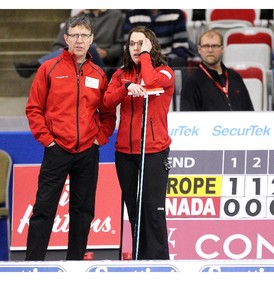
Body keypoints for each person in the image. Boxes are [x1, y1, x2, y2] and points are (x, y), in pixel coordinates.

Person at [24, 14, 117, 261]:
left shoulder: (99, 73)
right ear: (66, 39)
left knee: (83, 212)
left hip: (88, 151)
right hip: (57, 150)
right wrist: (49, 141)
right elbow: (34, 109)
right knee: (44, 209)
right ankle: (33, 265)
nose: (79, 40)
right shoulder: (49, 69)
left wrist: (100, 139)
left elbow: (108, 113)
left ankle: (75, 265)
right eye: (74, 35)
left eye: (84, 36)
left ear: (91, 40)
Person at [103, 25, 174, 260]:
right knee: (134, 212)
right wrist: (125, 87)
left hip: (153, 152)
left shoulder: (165, 72)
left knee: (153, 211)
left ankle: (160, 264)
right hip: (125, 153)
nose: (136, 48)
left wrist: (145, 56)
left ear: (151, 46)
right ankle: (139, 262)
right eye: (132, 43)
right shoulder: (120, 74)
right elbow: (106, 102)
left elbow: (151, 80)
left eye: (141, 43)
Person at [15, 9, 124, 80]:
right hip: (73, 61)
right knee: (81, 45)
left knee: (87, 45)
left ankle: (37, 65)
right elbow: (57, 46)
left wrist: (106, 53)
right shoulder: (77, 18)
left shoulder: (116, 15)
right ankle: (39, 65)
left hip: (99, 61)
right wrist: (69, 52)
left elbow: (120, 47)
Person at [179, 29, 254, 111]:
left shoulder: (235, 77)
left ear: (222, 49)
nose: (210, 50)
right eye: (206, 46)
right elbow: (187, 118)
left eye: (214, 46)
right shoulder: (191, 82)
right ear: (199, 49)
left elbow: (249, 111)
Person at [123, 9, 192, 68]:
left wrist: (161, 62)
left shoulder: (176, 14)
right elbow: (127, 45)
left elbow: (181, 46)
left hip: (167, 59)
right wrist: (143, 60)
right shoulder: (132, 16)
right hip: (140, 57)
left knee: (178, 61)